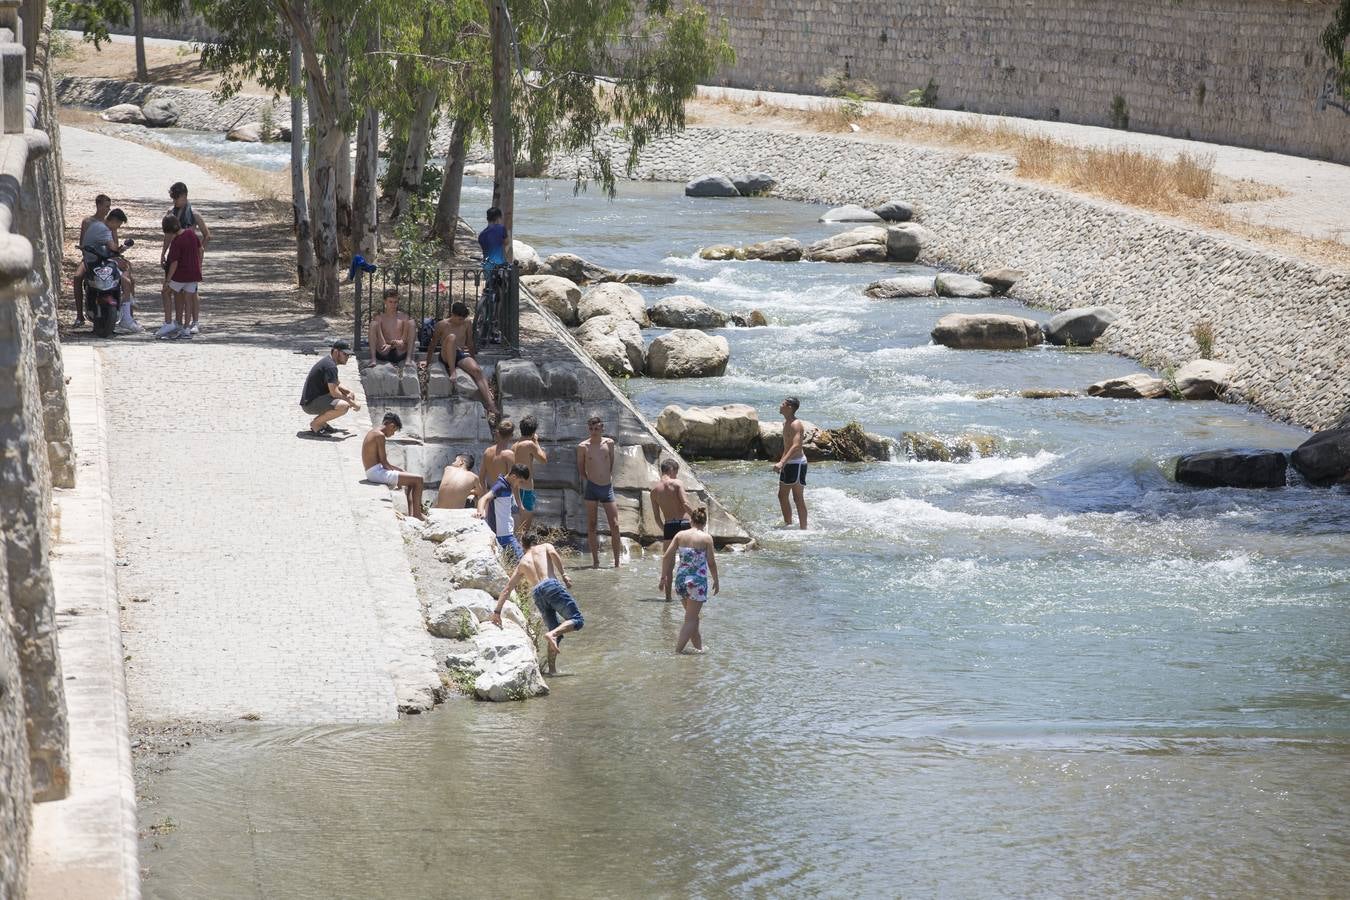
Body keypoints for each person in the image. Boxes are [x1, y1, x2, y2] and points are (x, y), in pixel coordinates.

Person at [491, 529, 583, 676]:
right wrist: (564, 575)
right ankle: (552, 634)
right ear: (536, 541)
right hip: (551, 585)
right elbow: (554, 554)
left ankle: (552, 670)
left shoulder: (522, 563)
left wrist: (497, 611)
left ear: (522, 545)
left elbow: (508, 588)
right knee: (577, 620)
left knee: (556, 631)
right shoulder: (545, 546)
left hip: (537, 594)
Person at [420, 301, 500, 420]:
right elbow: (433, 344)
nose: (461, 321)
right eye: (459, 318)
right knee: (452, 337)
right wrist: (427, 361)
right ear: (453, 314)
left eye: (463, 318)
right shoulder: (442, 325)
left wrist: (473, 359)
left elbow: (470, 343)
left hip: (460, 354)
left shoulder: (467, 323)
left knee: (477, 370)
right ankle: (453, 371)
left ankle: (490, 404)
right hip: (446, 354)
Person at [659, 507, 719, 654]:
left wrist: (663, 577)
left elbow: (666, 556)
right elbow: (711, 562)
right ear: (704, 523)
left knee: (694, 619)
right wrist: (716, 580)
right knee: (691, 619)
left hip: (680, 581)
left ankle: (699, 649)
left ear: (691, 521)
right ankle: (677, 652)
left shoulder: (680, 535)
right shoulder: (706, 538)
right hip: (696, 582)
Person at [159, 182, 210, 337]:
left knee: (192, 292)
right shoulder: (171, 212)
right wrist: (163, 253)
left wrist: (198, 250)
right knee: (178, 292)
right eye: (173, 199)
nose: (175, 202)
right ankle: (179, 322)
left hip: (189, 258)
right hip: (175, 255)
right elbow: (168, 235)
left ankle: (195, 322)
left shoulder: (194, 213)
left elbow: (207, 234)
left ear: (185, 196)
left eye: (177, 198)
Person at [362, 412, 426, 520]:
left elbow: (383, 462)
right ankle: (417, 514)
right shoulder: (380, 435)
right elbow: (384, 462)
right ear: (391, 425)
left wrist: (400, 472)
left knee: (411, 480)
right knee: (418, 480)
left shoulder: (373, 432)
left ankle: (413, 513)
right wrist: (399, 476)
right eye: (394, 430)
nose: (392, 434)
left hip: (374, 471)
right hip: (375, 473)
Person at [576, 415, 621, 568]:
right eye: (591, 429)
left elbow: (611, 461)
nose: (594, 431)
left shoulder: (609, 443)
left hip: (607, 487)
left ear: (602, 428)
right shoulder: (583, 446)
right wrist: (590, 481)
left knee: (615, 525)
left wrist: (607, 477)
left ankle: (617, 563)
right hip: (592, 488)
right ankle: (595, 561)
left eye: (597, 429)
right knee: (592, 524)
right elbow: (581, 469)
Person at [650, 458, 695, 600]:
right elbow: (685, 504)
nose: (676, 476)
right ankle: (688, 595)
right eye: (676, 472)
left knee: (669, 564)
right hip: (683, 524)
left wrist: (665, 529)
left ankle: (668, 598)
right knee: (688, 561)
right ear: (671, 470)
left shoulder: (654, 491)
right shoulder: (677, 483)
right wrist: (697, 516)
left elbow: (657, 517)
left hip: (669, 526)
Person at [299, 340, 359, 435]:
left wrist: (348, 392)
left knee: (346, 397)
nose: (347, 357)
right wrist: (352, 403)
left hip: (316, 399)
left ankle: (322, 423)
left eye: (349, 355)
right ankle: (316, 424)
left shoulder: (329, 362)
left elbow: (336, 383)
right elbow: (334, 392)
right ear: (336, 352)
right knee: (344, 406)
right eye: (345, 354)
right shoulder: (330, 366)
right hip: (310, 404)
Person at [160, 214, 202, 340]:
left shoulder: (176, 241)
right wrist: (199, 265)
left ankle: (168, 323)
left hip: (181, 275)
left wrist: (168, 280)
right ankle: (186, 328)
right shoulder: (191, 234)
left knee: (165, 293)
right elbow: (201, 250)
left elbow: (174, 263)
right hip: (194, 274)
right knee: (188, 300)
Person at [476, 463, 527, 561]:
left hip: (506, 531)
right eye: (520, 482)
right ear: (513, 476)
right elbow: (484, 498)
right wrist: (480, 512)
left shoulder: (507, 485)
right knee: (522, 561)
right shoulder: (500, 486)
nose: (519, 485)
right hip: (503, 533)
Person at [73, 193, 112, 324]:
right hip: (90, 258)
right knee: (77, 277)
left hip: (106, 259)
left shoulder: (109, 222)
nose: (108, 209)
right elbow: (83, 242)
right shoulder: (87, 222)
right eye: (106, 206)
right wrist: (86, 255)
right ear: (98, 206)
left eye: (109, 207)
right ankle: (79, 315)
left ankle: (127, 313)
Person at [105, 209, 143, 333]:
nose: (119, 227)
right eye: (119, 224)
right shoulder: (104, 230)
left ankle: (129, 312)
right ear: (114, 220)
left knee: (130, 273)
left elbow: (114, 249)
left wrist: (121, 250)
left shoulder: (113, 230)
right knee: (126, 280)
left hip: (113, 258)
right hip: (105, 261)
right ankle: (127, 313)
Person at [773, 396, 809, 530]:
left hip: (797, 464)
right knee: (782, 496)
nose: (780, 405)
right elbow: (787, 446)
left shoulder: (796, 424)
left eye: (783, 403)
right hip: (788, 463)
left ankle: (803, 529)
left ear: (789, 407)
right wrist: (782, 462)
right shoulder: (786, 423)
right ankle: (788, 525)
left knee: (797, 497)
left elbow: (796, 446)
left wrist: (782, 462)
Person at [512, 415, 547, 536]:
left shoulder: (515, 445)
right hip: (525, 489)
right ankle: (521, 552)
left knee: (518, 527)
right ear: (533, 431)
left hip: (517, 489)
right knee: (524, 529)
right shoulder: (529, 444)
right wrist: (536, 441)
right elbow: (543, 459)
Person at [369, 287, 417, 367]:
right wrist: (386, 345)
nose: (393, 305)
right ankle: (373, 359)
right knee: (373, 324)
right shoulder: (379, 317)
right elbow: (380, 339)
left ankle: (409, 358)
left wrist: (401, 342)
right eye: (390, 302)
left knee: (412, 323)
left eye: (395, 302)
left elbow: (404, 339)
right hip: (384, 350)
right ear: (385, 302)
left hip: (399, 351)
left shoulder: (403, 317)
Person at [479, 418, 516, 494]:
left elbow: (481, 477)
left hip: (491, 494)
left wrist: (486, 494)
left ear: (498, 433)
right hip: (504, 496)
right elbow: (513, 481)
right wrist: (519, 504)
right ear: (511, 435)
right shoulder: (509, 455)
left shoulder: (487, 451)